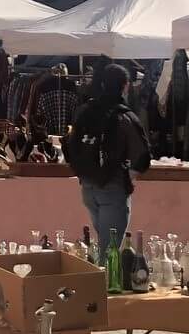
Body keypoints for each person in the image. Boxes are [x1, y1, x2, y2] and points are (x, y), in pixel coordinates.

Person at [62, 61, 151, 253]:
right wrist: (129, 176)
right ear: (125, 86)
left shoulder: (86, 111)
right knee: (109, 251)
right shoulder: (124, 117)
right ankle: (105, 282)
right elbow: (142, 157)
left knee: (104, 243)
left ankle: (102, 279)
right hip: (112, 187)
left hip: (87, 187)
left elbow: (71, 145)